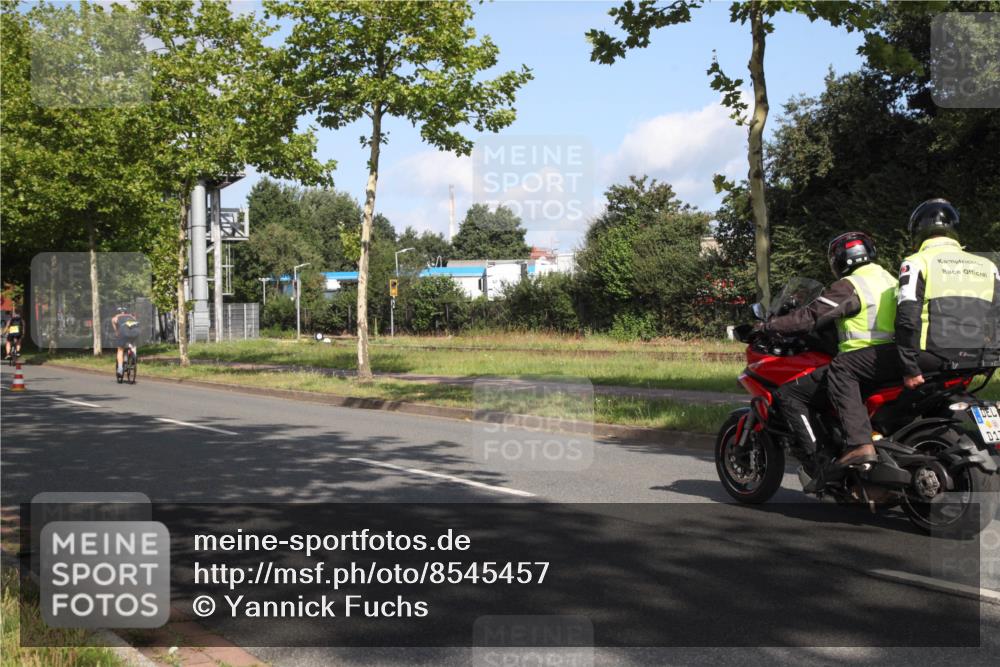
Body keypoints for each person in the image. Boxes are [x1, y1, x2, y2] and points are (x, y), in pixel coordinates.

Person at [828, 199, 1000, 466]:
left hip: (929, 354)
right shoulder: (988, 266)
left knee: (842, 367)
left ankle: (859, 445)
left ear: (917, 232)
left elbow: (907, 317)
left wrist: (909, 366)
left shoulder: (916, 261)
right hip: (977, 359)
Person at [759, 232, 898, 456]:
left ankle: (820, 460)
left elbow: (811, 316)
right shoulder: (890, 280)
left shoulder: (851, 285)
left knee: (790, 395)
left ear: (839, 260)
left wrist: (769, 326)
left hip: (860, 363)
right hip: (892, 361)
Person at [111, 306, 141, 378]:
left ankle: (120, 369)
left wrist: (117, 334)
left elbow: (116, 331)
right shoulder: (131, 316)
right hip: (135, 332)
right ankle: (134, 355)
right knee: (133, 344)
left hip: (123, 333)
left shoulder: (115, 318)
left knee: (120, 350)